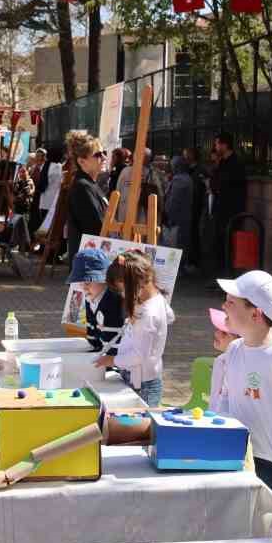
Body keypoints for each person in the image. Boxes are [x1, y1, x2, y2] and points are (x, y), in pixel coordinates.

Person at [210, 270, 272, 495]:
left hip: (268, 462)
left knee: (265, 515)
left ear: (255, 314)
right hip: (235, 451)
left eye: (231, 302)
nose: (224, 306)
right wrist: (218, 428)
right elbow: (225, 394)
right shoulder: (234, 349)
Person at [95, 251, 172, 405]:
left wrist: (112, 360)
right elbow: (170, 316)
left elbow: (138, 356)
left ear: (137, 284)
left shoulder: (147, 315)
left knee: (139, 418)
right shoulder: (156, 300)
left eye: (122, 290)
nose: (122, 295)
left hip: (141, 385)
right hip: (143, 379)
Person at [70, 248, 123, 357]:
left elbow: (115, 342)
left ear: (104, 280)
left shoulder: (113, 302)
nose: (84, 287)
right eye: (80, 282)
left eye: (88, 282)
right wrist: (94, 346)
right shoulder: (91, 296)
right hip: (101, 352)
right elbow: (92, 331)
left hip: (117, 357)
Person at [65, 132, 108, 263]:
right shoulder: (82, 186)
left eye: (104, 152)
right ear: (81, 161)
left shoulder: (90, 184)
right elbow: (96, 226)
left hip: (93, 258)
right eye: (98, 155)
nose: (104, 157)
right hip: (88, 262)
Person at [208, 133, 247, 274]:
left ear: (225, 145)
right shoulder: (222, 162)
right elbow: (214, 183)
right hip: (220, 208)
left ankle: (228, 273)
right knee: (219, 242)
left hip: (231, 209)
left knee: (228, 242)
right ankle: (220, 272)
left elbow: (223, 184)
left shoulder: (235, 163)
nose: (215, 147)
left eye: (217, 144)